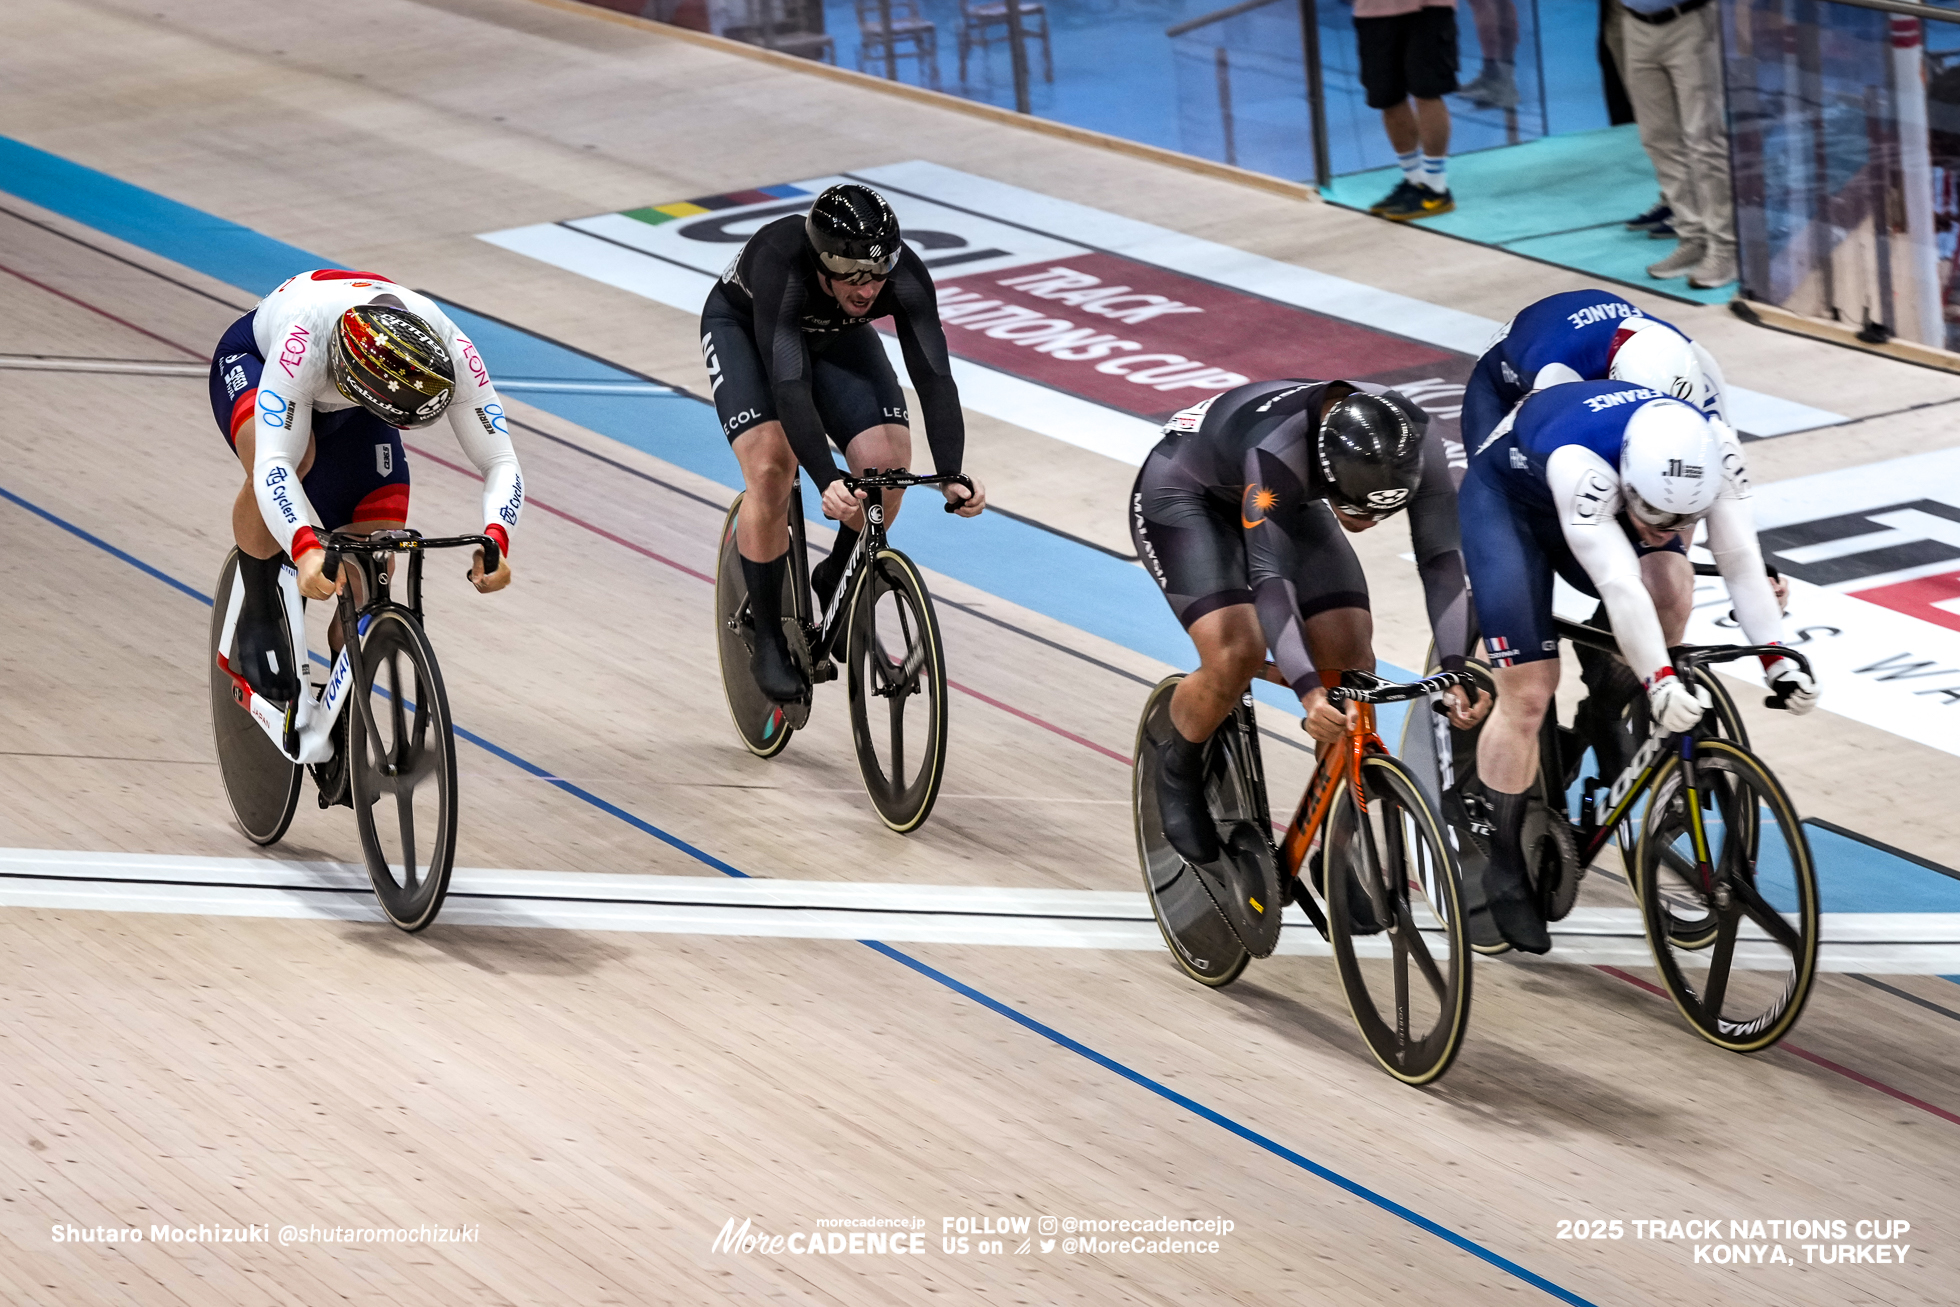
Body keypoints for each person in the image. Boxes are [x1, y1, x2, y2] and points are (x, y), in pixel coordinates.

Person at [1458, 381, 1818, 953]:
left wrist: (1780, 662)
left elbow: (1741, 559)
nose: (1666, 530)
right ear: (1627, 480)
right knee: (1529, 690)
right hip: (1511, 506)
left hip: (1608, 506)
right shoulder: (1585, 464)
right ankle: (1502, 865)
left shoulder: (1714, 449)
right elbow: (1619, 586)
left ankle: (1603, 714)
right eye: (1656, 516)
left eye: (1681, 519)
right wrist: (1659, 680)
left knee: (1670, 586)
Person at [1130, 379, 1491, 880]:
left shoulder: (1414, 437)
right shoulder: (1278, 447)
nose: (1370, 523)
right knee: (1237, 650)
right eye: (1359, 508)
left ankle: (1336, 840)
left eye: (1381, 510)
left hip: (1293, 498)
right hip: (1186, 494)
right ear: (1329, 470)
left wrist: (1455, 666)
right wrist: (1307, 693)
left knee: (1351, 659)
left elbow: (1442, 560)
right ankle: (1178, 767)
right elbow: (1271, 580)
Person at [700, 183, 985, 703]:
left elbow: (935, 378)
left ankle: (838, 574)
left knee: (889, 465)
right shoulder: (782, 266)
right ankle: (766, 638)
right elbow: (790, 386)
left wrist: (951, 470)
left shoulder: (904, 278)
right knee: (771, 469)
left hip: (833, 334)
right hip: (746, 330)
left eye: (876, 274)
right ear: (820, 262)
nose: (866, 287)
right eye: (851, 274)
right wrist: (828, 479)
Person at [210, 269, 523, 707]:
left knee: (371, 557)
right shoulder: (304, 338)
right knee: (295, 458)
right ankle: (259, 612)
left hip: (362, 394)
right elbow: (274, 465)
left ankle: (346, 723)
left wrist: (496, 537)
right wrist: (304, 549)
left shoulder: (450, 346)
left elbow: (501, 460)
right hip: (260, 363)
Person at [1459, 287, 1727, 453]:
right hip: (1500, 386)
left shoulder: (1701, 363)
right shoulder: (1555, 376)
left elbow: (1720, 457)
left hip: (1575, 345)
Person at [1616, 0, 1736, 289]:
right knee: (1658, 139)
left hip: (1690, 20)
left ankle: (1726, 246)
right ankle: (1691, 236)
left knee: (1704, 141)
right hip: (1635, 22)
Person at [1354, 0, 1460, 220]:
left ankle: (1435, 187)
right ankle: (1414, 180)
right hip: (1372, 10)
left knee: (1427, 91)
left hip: (1427, 9)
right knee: (1387, 96)